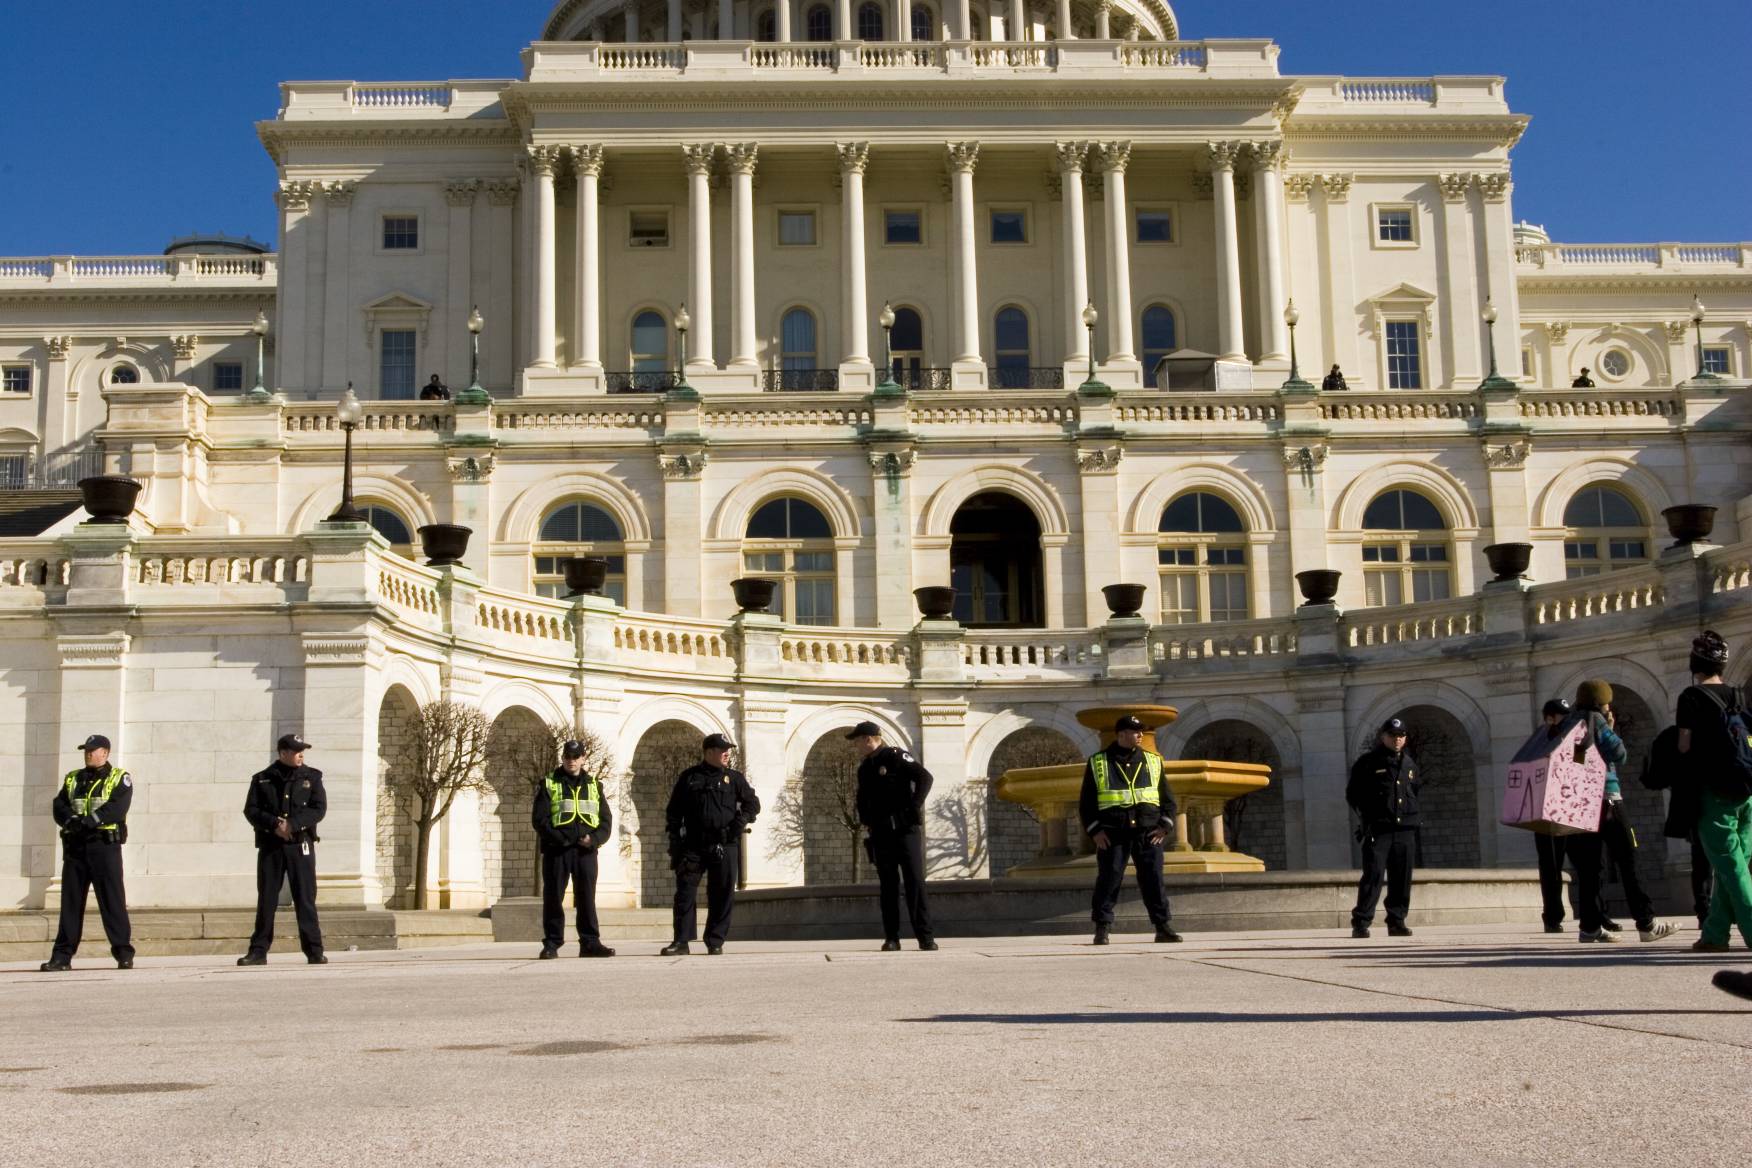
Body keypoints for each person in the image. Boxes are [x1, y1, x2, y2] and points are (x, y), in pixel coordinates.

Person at [1576, 681, 1676, 942]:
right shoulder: (1596, 720)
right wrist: (1610, 727)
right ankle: (1646, 923)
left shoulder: (1569, 722)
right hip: (1609, 801)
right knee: (1630, 860)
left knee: (1590, 867)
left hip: (1580, 802)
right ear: (1602, 702)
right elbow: (1619, 754)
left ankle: (1589, 927)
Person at [1677, 631, 1752, 954]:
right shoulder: (1737, 695)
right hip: (1746, 792)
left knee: (1730, 867)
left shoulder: (1691, 698)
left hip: (1713, 792)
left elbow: (1684, 745)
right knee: (1732, 866)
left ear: (1695, 664)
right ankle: (1715, 933)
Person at [1078, 713, 1181, 945]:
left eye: (1141, 731)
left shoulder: (1154, 761)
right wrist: (1096, 831)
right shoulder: (1099, 762)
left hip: (1148, 833)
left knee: (1153, 880)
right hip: (1114, 833)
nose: (1140, 735)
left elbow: (1168, 799)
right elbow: (1086, 803)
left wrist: (1165, 826)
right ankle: (1102, 929)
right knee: (1109, 879)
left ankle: (1162, 927)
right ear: (1121, 734)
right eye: (1136, 731)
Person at [40, 734, 135, 972]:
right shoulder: (73, 778)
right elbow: (59, 804)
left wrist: (90, 821)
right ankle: (62, 956)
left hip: (104, 846)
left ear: (105, 753)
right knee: (70, 902)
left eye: (93, 750)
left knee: (112, 901)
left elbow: (117, 807)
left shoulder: (119, 777)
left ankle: (123, 952)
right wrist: (71, 820)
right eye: (86, 750)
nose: (88, 754)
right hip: (76, 847)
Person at [661, 733, 760, 956]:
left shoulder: (735, 778)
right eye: (722, 749)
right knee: (685, 892)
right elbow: (674, 811)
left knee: (722, 893)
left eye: (728, 749)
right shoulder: (689, 777)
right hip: (694, 844)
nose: (727, 753)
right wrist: (675, 840)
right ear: (708, 752)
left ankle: (715, 940)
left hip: (725, 843)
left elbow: (753, 804)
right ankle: (681, 941)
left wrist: (740, 821)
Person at [238, 733, 328, 966]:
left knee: (305, 898)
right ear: (283, 753)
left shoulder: (312, 777)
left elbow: (318, 809)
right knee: (267, 899)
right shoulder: (262, 779)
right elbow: (251, 810)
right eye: (297, 751)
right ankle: (258, 951)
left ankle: (314, 950)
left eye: (302, 751)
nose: (301, 755)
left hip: (301, 845)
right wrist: (274, 824)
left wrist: (293, 824)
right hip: (272, 846)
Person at [849, 721, 937, 952]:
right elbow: (862, 799)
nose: (856, 746)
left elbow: (924, 778)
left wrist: (914, 807)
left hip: (905, 830)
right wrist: (866, 822)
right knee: (887, 886)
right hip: (880, 833)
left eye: (857, 741)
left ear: (869, 739)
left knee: (914, 882)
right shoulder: (865, 767)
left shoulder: (895, 755)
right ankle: (892, 938)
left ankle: (925, 937)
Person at [533, 739, 616, 960]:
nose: (571, 760)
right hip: (557, 850)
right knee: (553, 898)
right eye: (568, 756)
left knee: (587, 898)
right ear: (563, 758)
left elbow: (606, 821)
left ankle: (590, 943)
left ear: (583, 758)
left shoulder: (594, 784)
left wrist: (594, 839)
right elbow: (540, 820)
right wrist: (562, 838)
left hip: (586, 851)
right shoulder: (549, 782)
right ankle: (552, 943)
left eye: (576, 756)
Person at [1347, 717, 1420, 939]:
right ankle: (1361, 922)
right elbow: (1353, 794)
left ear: (1405, 739)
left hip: (1405, 828)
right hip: (1379, 828)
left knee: (1401, 877)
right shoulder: (1367, 762)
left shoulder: (1410, 764)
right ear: (1383, 737)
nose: (1397, 740)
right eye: (1392, 735)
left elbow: (1415, 792)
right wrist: (1366, 819)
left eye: (1401, 736)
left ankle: (1397, 921)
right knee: (1373, 875)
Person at [1532, 699, 1575, 934]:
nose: (1565, 720)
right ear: (1549, 718)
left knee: (1585, 862)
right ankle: (1552, 916)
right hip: (1546, 812)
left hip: (1571, 809)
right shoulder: (1538, 741)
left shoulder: (1575, 737)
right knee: (1550, 865)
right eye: (1560, 716)